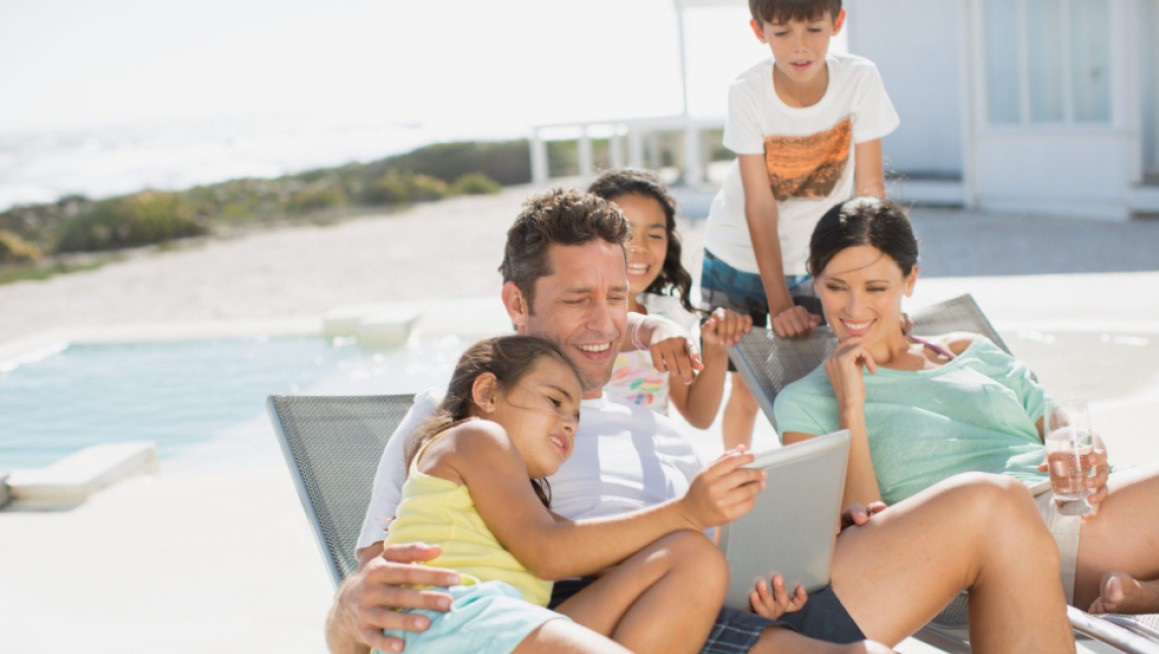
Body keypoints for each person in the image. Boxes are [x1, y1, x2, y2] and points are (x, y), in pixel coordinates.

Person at [328, 187, 1074, 654]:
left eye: (617, 297)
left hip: (737, 590)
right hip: (615, 613)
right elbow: (373, 593)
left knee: (993, 504)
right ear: (516, 305)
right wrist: (347, 613)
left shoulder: (646, 408)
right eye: (576, 300)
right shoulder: (466, 413)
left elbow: (710, 531)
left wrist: (780, 555)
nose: (603, 323)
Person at [774, 196, 1159, 615]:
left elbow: (1061, 425)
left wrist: (1091, 453)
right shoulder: (805, 403)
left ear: (911, 279)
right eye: (836, 287)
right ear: (814, 280)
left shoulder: (970, 350)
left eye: (876, 288)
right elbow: (866, 541)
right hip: (1013, 535)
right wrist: (851, 405)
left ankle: (1144, 594)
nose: (854, 308)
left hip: (1078, 504)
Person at [381, 334, 754, 653]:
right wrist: (686, 512)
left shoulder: (518, 498)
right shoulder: (476, 437)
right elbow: (548, 553)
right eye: (555, 402)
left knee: (693, 557)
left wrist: (711, 524)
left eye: (576, 418)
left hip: (503, 627)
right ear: (488, 392)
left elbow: (597, 554)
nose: (570, 426)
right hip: (450, 625)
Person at [699, 0, 899, 450]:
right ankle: (739, 489)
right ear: (759, 30)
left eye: (813, 28)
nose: (800, 46)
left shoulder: (860, 79)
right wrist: (779, 303)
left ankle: (825, 487)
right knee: (748, 391)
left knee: (825, 382)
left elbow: (869, 194)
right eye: (782, 32)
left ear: (837, 23)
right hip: (739, 253)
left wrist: (882, 283)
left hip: (818, 256)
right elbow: (760, 206)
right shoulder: (747, 91)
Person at [588, 168, 752, 427]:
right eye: (625, 232)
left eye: (654, 235)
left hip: (658, 461)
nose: (640, 246)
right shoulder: (573, 322)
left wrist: (715, 347)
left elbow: (699, 416)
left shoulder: (668, 315)